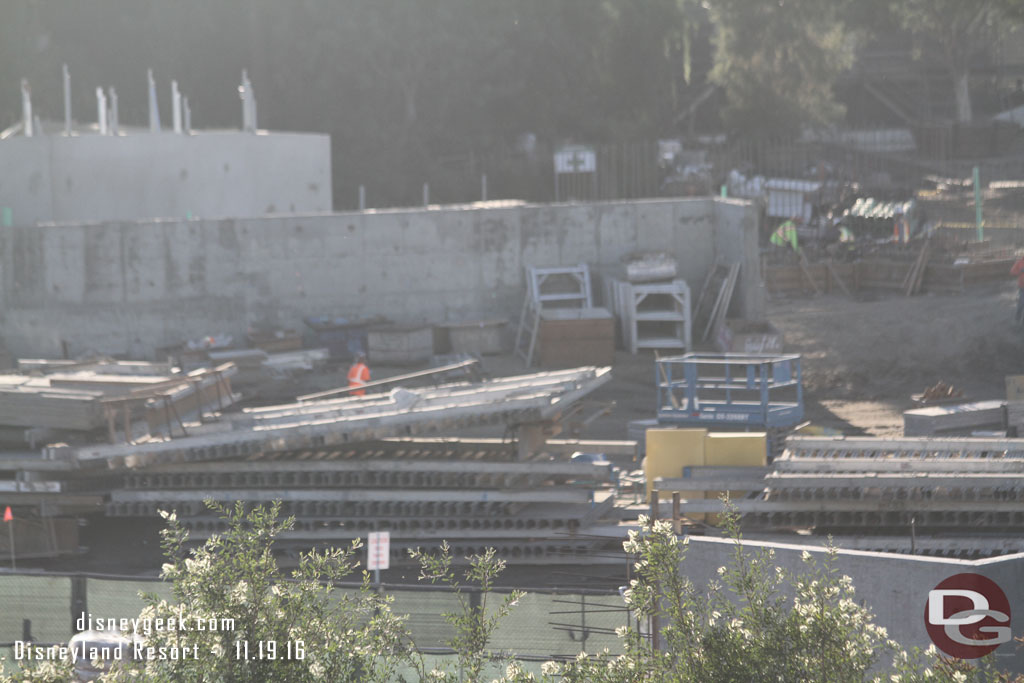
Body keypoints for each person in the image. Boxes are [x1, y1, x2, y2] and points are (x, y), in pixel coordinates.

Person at [1012, 254, 1024, 325]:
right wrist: (1020, 271)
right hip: (1022, 287)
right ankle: (1017, 318)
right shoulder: (1019, 262)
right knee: (1021, 304)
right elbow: (1012, 271)